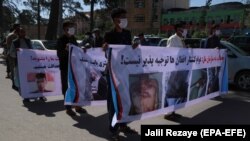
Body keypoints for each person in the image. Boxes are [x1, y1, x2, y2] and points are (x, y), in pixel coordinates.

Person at [102, 7, 138, 141]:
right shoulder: (109, 35)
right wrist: (104, 48)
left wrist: (133, 47)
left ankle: (123, 125)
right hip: (112, 73)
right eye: (121, 17)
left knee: (125, 99)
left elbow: (128, 52)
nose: (124, 19)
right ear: (114, 20)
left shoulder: (127, 33)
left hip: (125, 71)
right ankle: (113, 130)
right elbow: (105, 52)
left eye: (125, 16)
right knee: (113, 102)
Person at [56, 20, 87, 116]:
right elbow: (59, 54)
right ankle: (68, 108)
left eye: (73, 26)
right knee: (66, 88)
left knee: (77, 86)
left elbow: (76, 51)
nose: (73, 29)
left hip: (75, 67)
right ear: (65, 29)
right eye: (71, 27)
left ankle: (77, 106)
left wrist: (82, 50)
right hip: (65, 67)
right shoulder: (61, 40)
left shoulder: (73, 38)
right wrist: (66, 50)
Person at [9, 27, 47, 102]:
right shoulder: (15, 42)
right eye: (21, 32)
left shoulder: (28, 40)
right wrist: (17, 52)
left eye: (24, 32)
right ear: (18, 33)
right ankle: (26, 97)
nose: (23, 33)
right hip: (20, 65)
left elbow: (33, 50)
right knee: (23, 81)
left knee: (34, 80)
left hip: (30, 64)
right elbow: (11, 53)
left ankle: (40, 95)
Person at [164, 22, 187, 121]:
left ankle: (173, 111)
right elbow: (169, 53)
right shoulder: (172, 39)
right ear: (177, 29)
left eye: (183, 27)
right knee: (171, 91)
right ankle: (168, 113)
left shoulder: (181, 40)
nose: (183, 29)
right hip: (173, 69)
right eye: (181, 28)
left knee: (176, 91)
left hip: (180, 69)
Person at [6, 23, 20, 88]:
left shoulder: (10, 34)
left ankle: (14, 84)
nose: (19, 28)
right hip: (13, 54)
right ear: (16, 28)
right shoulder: (14, 35)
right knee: (14, 70)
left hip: (11, 54)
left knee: (13, 70)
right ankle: (15, 84)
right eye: (18, 27)